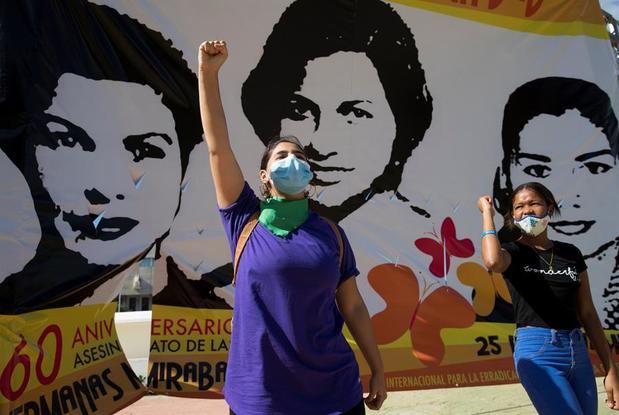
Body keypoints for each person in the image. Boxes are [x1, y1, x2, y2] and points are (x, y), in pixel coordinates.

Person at [199, 40, 386, 415]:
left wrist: (378, 369)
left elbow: (353, 306)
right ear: (264, 176)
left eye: (299, 156)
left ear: (310, 175)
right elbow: (218, 147)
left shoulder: (331, 233)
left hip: (335, 394)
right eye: (282, 156)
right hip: (260, 397)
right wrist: (208, 73)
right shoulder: (244, 220)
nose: (293, 160)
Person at [0, 0, 203, 313]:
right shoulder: (12, 307)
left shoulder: (217, 306)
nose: (105, 188)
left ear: (185, 166)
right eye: (68, 141)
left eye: (145, 150)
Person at [242, 0, 433, 222]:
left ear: (402, 127)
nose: (321, 147)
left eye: (356, 114)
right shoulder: (251, 241)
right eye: (299, 111)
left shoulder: (435, 243)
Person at [477, 182, 619, 414]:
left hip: (577, 350)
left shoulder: (570, 253)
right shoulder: (512, 252)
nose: (527, 210)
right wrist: (487, 214)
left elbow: (587, 312)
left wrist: (611, 369)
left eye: (534, 203)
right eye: (519, 207)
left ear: (549, 208)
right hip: (538, 351)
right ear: (513, 215)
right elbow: (492, 261)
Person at [493, 77, 619, 328]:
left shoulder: (572, 254)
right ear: (505, 177)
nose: (567, 194)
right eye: (538, 170)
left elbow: (588, 313)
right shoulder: (504, 266)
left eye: (595, 167)